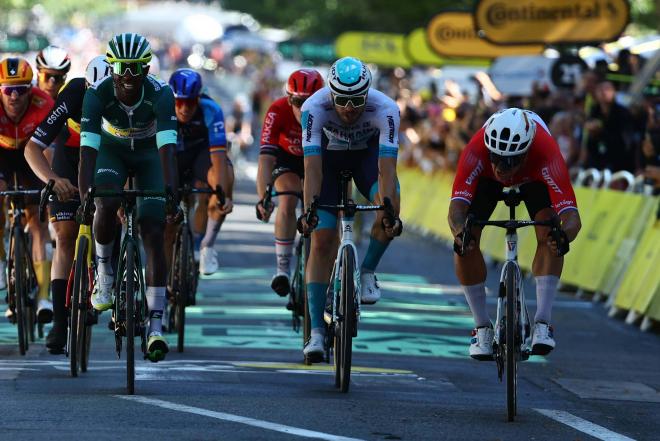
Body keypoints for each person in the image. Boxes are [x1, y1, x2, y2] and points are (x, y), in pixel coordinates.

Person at [448, 108, 582, 359]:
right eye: (496, 157)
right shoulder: (476, 151)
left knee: (550, 231)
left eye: (509, 161)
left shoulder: (546, 151)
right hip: (486, 182)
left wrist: (564, 236)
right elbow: (456, 210)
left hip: (533, 178)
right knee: (466, 239)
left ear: (526, 151)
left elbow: (572, 217)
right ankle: (481, 327)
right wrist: (459, 232)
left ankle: (543, 323)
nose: (501, 167)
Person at [79, 33, 178, 362]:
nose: (128, 76)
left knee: (153, 229)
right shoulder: (96, 94)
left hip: (150, 155)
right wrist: (84, 194)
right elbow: (88, 152)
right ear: (111, 66)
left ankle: (155, 324)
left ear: (146, 67)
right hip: (113, 152)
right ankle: (105, 273)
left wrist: (171, 191)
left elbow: (167, 147)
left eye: (136, 69)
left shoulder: (161, 94)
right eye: (121, 67)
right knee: (105, 202)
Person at [298, 57, 403, 361]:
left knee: (390, 206)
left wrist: (388, 211)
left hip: (367, 160)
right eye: (341, 99)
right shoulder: (313, 108)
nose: (349, 107)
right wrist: (309, 211)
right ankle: (316, 331)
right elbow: (312, 168)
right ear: (330, 93)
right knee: (321, 239)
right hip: (327, 162)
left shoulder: (386, 109)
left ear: (368, 93)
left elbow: (386, 170)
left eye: (357, 99)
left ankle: (368, 270)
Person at [24, 56, 112, 353]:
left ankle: (112, 280)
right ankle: (60, 323)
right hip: (70, 158)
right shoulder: (73, 93)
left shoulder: (125, 99)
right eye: (92, 91)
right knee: (64, 236)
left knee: (115, 214)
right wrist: (51, 179)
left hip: (105, 158)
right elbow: (33, 147)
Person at [256, 68, 324, 296]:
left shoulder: (329, 111)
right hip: (288, 160)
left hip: (319, 160)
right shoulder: (277, 110)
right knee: (287, 200)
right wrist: (263, 198)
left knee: (320, 208)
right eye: (297, 101)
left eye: (310, 102)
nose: (303, 109)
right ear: (288, 98)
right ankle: (282, 270)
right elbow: (266, 160)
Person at [0, 57, 54, 323]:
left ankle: (44, 296)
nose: (14, 96)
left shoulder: (44, 103)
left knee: (37, 224)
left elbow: (52, 151)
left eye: (21, 90)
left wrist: (52, 183)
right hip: (3, 156)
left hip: (33, 157)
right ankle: (2, 261)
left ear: (31, 90)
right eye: (8, 90)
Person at [167, 68, 234, 275]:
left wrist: (222, 193)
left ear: (199, 98)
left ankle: (206, 244)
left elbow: (219, 159)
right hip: (172, 157)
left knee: (223, 179)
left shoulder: (211, 109)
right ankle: (165, 280)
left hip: (200, 156)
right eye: (179, 102)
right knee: (166, 219)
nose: (185, 108)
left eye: (191, 102)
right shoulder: (161, 108)